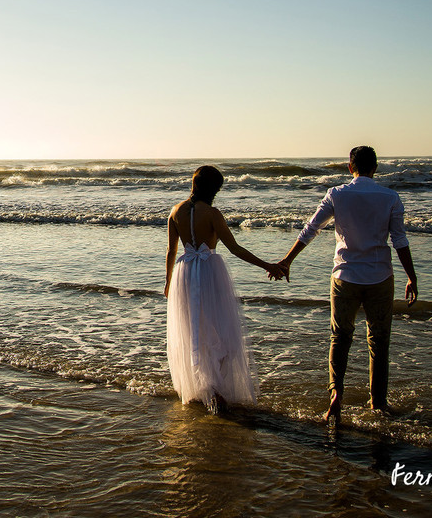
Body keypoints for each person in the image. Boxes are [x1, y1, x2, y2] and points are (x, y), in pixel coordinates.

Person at [275, 146, 418, 424]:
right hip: (380, 277)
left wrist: (288, 259)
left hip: (344, 277)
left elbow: (311, 229)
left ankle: (335, 396)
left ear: (349, 167)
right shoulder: (390, 197)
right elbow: (399, 240)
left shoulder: (337, 194)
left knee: (340, 338)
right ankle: (378, 403)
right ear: (375, 168)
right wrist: (412, 276)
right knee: (378, 341)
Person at [165, 165, 284, 413]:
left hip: (183, 274)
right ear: (213, 189)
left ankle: (205, 386)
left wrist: (168, 283)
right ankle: (215, 389)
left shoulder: (175, 211)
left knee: (194, 331)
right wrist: (267, 265)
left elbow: (171, 251)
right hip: (209, 273)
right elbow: (235, 248)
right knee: (220, 330)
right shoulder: (212, 213)